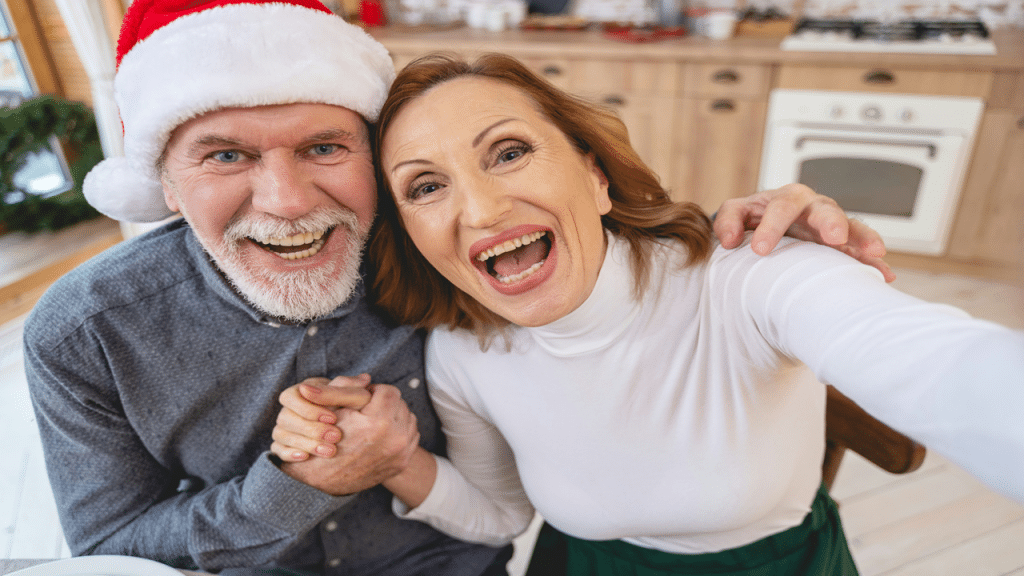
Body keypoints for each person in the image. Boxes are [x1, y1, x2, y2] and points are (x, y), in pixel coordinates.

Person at [21, 2, 883, 575]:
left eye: (324, 146)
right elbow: (107, 549)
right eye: (224, 154)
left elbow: (601, 247)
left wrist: (769, 230)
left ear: (374, 159)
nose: (285, 202)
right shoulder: (84, 332)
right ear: (163, 182)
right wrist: (297, 485)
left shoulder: (450, 250)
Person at [272, 53, 1024, 575]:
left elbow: (937, 363)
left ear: (595, 176)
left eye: (507, 153)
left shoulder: (747, 274)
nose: (482, 208)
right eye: (426, 187)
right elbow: (499, 514)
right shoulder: (465, 352)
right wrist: (397, 462)